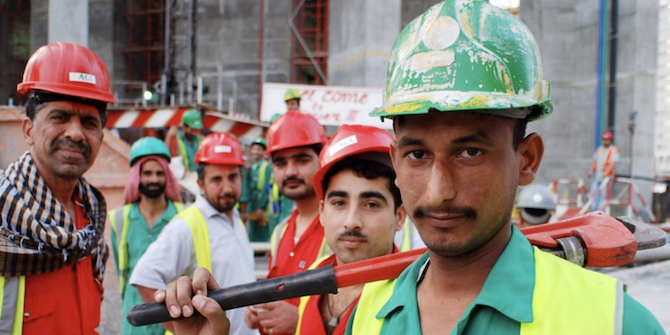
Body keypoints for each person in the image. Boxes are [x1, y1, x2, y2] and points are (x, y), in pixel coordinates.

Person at [159, 1, 665, 334]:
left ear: (527, 159)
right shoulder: (375, 316)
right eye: (418, 155)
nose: (439, 191)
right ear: (398, 162)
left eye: (471, 152)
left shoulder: (614, 322)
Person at [0, 42, 114, 333]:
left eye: (89, 122)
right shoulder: (4, 214)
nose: (76, 133)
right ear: (28, 130)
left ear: (100, 137)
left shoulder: (92, 223)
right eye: (60, 117)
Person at [130, 132, 257, 335]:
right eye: (216, 179)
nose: (227, 188)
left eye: (233, 177)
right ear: (201, 184)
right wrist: (189, 331)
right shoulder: (185, 225)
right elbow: (145, 277)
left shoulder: (234, 217)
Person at [295, 124, 405, 335]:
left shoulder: (413, 296)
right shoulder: (314, 274)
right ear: (322, 211)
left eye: (371, 204)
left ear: (399, 216)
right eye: (339, 203)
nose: (351, 221)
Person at [244, 111, 330, 335]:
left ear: (321, 160)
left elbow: (363, 306)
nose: (291, 171)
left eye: (302, 160)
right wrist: (261, 311)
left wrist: (303, 321)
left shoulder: (341, 228)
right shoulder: (281, 230)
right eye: (281, 163)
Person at [108, 137, 184, 335]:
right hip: (135, 318)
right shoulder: (119, 218)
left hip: (174, 318)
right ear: (137, 176)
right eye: (147, 173)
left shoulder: (183, 217)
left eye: (160, 173)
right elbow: (120, 268)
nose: (154, 179)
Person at [239, 137, 273, 241]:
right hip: (251, 204)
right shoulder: (250, 167)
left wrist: (261, 208)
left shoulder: (266, 167)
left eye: (258, 149)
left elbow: (266, 189)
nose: (255, 152)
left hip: (260, 205)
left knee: (261, 231)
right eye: (253, 149)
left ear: (263, 152)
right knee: (252, 231)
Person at [587, 130, 620, 210]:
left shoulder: (614, 150)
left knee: (603, 197)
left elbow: (612, 163)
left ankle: (602, 212)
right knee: (593, 195)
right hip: (597, 177)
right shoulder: (599, 150)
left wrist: (606, 172)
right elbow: (595, 162)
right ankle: (593, 212)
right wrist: (591, 171)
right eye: (604, 140)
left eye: (607, 140)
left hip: (606, 178)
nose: (606, 142)